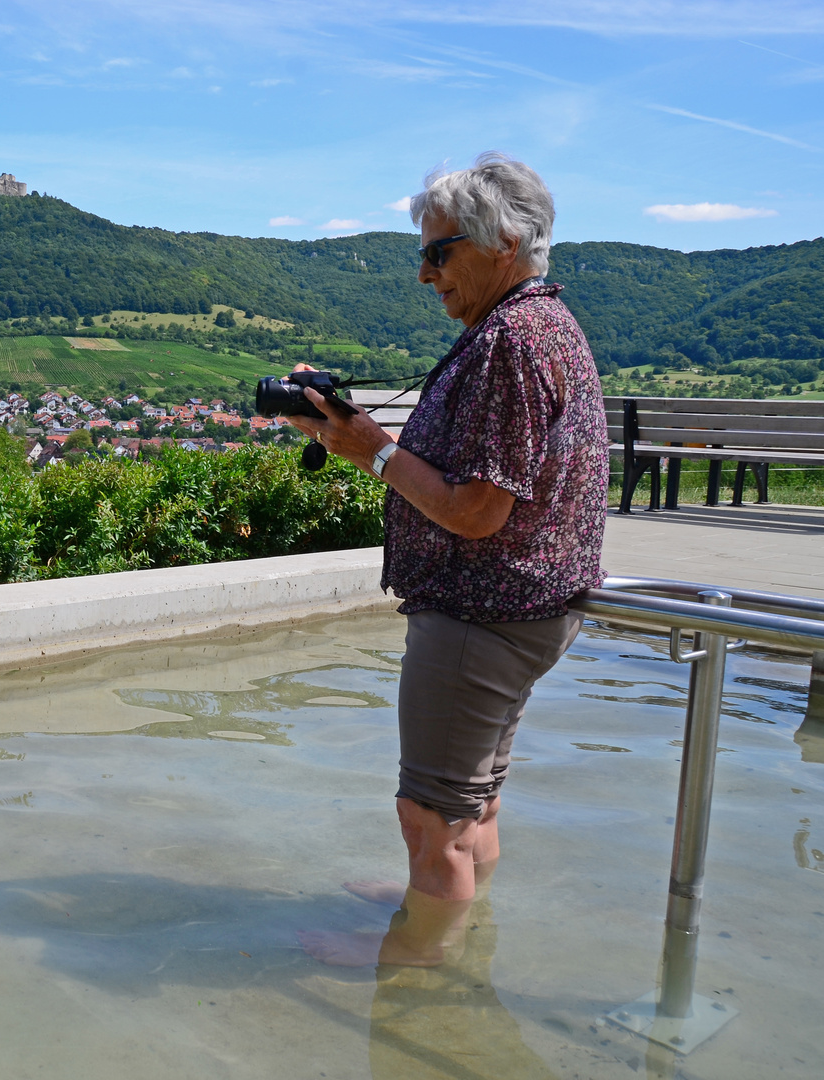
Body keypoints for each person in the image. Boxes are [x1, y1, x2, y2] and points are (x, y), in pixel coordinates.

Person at [291, 152, 610, 967]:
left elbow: (474, 511)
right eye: (422, 254)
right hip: (523, 607)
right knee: (472, 807)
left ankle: (414, 968)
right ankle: (450, 913)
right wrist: (344, 434)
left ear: (502, 242)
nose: (424, 273)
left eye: (439, 252)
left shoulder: (511, 340)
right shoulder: (533, 325)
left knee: (430, 817)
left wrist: (368, 451)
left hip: (483, 612)